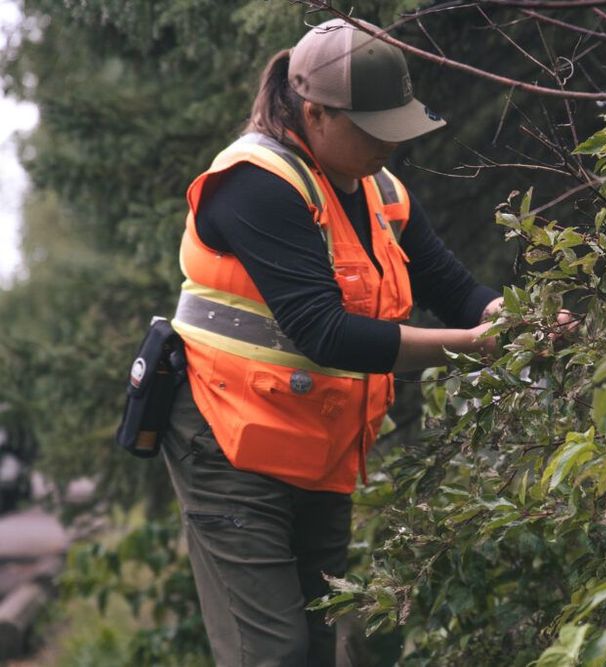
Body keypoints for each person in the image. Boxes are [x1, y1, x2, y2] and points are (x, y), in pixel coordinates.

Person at [162, 17, 507, 666]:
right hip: (225, 438)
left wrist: (511, 316)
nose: (390, 145)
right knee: (275, 651)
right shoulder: (256, 183)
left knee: (322, 640)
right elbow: (322, 331)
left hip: (314, 442)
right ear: (315, 114)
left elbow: (451, 283)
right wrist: (469, 343)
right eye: (374, 129)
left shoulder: (382, 191)